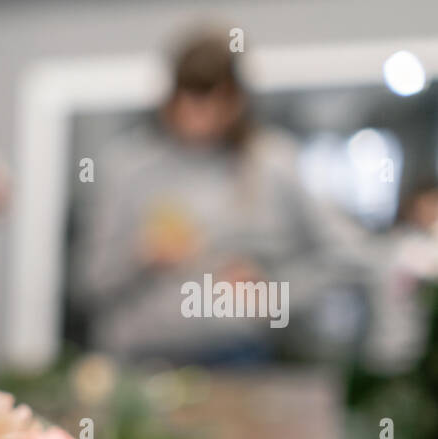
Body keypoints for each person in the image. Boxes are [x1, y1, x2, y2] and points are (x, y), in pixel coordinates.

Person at [75, 29, 372, 363]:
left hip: (240, 362)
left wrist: (273, 293)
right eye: (191, 99)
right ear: (172, 98)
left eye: (212, 100)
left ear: (235, 101)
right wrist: (144, 254)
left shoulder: (272, 163)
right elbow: (90, 284)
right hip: (140, 361)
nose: (199, 115)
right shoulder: (127, 167)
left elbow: (350, 257)